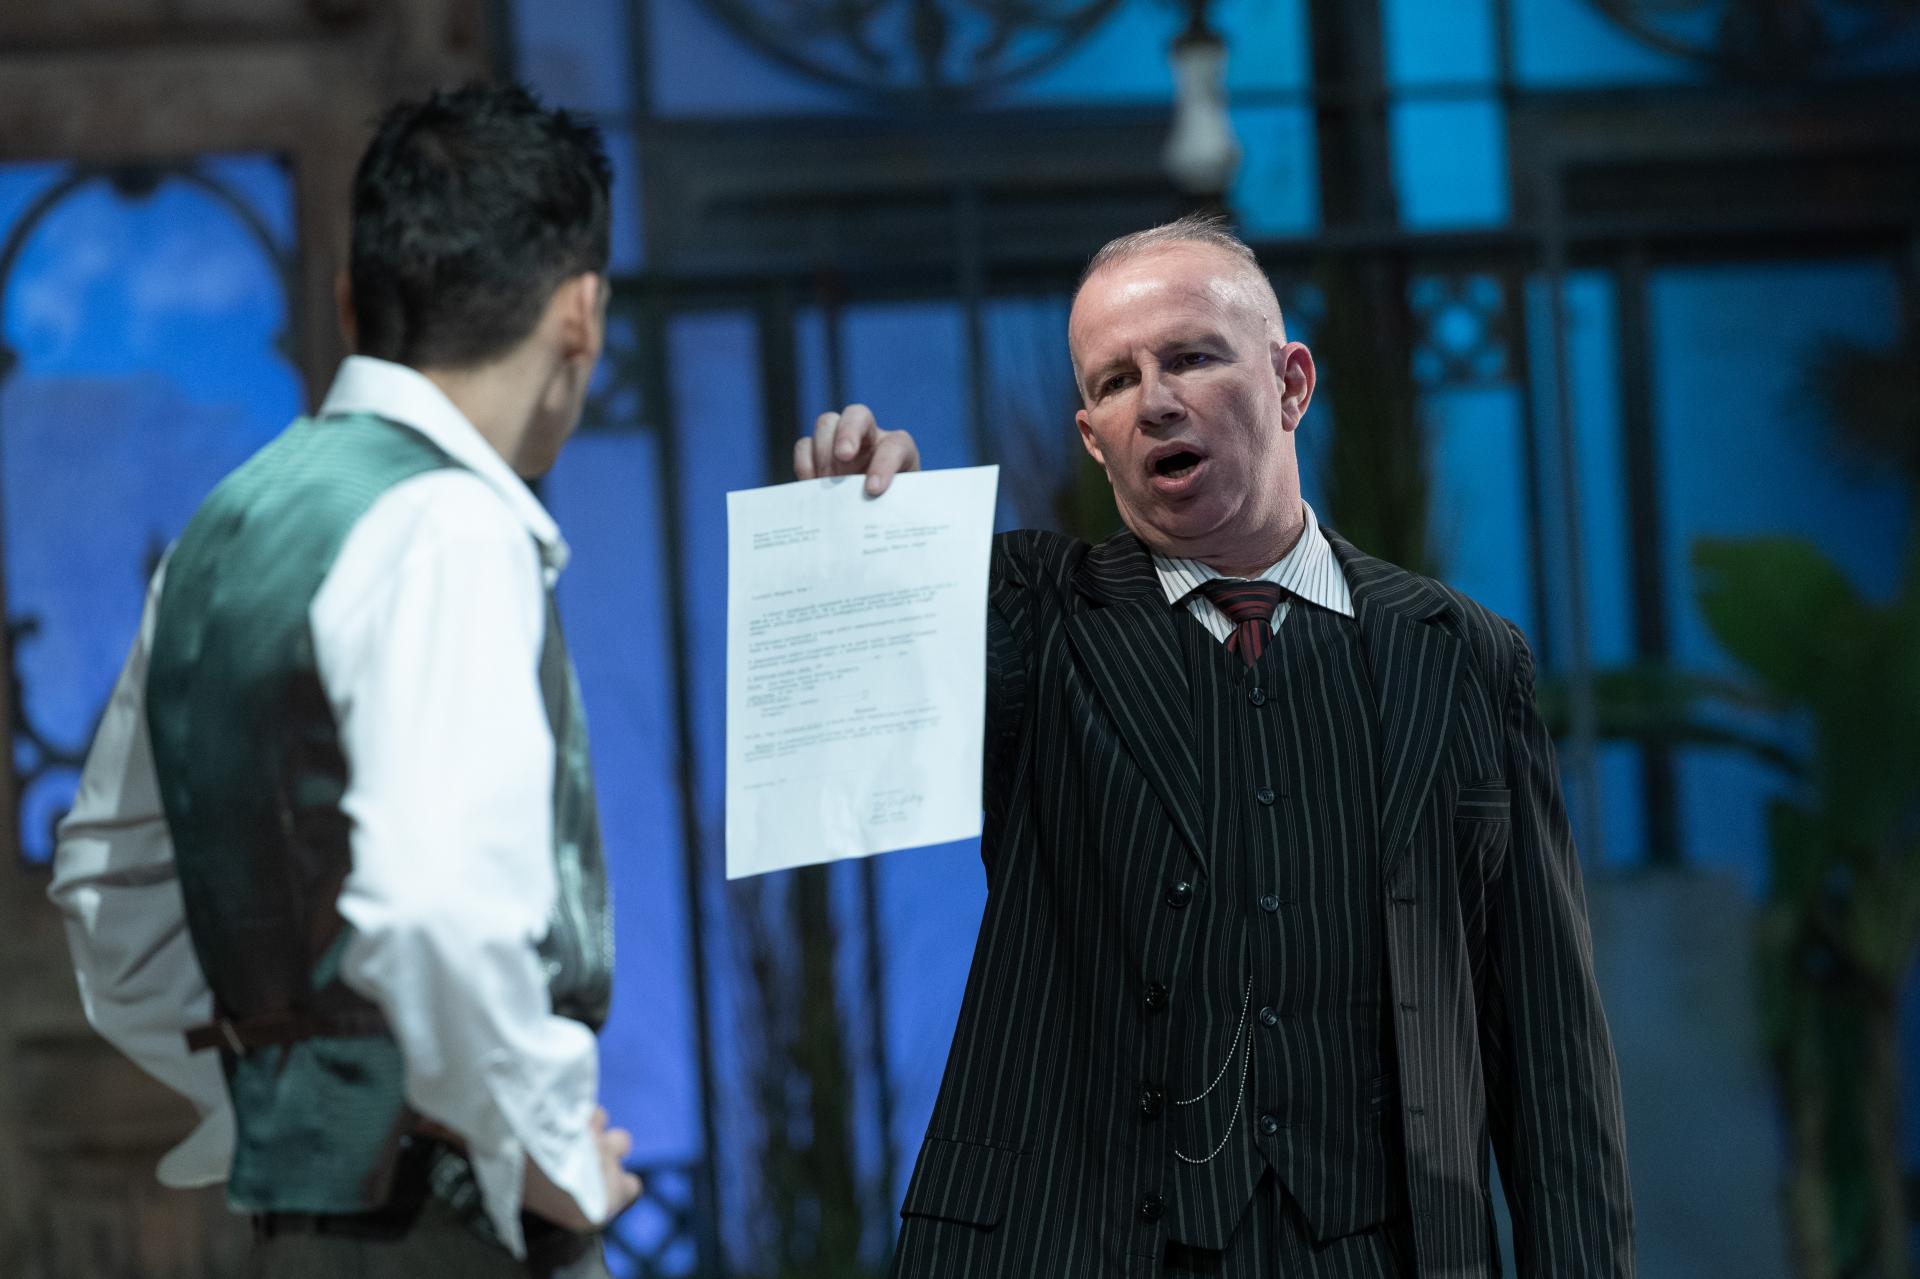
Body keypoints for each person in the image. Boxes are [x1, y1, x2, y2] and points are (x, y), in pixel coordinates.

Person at [799, 213, 1634, 1277]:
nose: (1154, 400)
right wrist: (868, 536)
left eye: (1191, 357)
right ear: (1094, 438)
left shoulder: (1462, 656)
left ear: (1291, 383)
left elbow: (1550, 1050)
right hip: (1083, 1247)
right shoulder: (1027, 617)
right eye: (1115, 381)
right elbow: (860, 710)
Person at [49, 83, 641, 1278]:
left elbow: (107, 886)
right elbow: (433, 907)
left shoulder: (231, 520)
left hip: (303, 1232)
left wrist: (298, 1092)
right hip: (457, 1227)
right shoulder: (453, 527)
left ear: (346, 298)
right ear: (580, 312)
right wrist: (543, 1154)